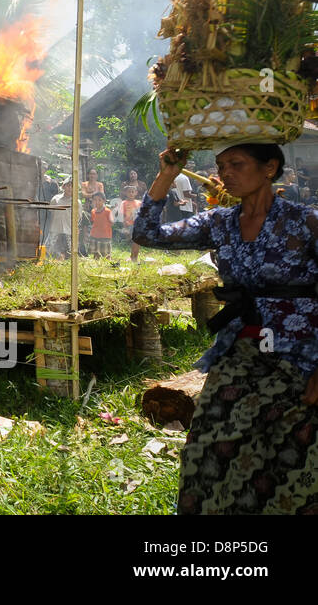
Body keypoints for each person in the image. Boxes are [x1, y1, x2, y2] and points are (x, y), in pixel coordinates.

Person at [133, 142, 318, 514]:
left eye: (236, 163)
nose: (225, 173)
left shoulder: (304, 221)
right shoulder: (218, 223)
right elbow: (146, 234)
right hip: (239, 350)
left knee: (294, 456)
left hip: (298, 354)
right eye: (221, 166)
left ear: (270, 168)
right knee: (206, 448)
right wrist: (166, 175)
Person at [46, 179, 75, 257]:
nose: (70, 188)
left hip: (69, 230)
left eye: (72, 186)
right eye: (68, 185)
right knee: (48, 250)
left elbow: (78, 217)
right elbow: (50, 213)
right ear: (63, 187)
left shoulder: (76, 202)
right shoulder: (56, 199)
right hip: (55, 228)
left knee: (71, 252)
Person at [114, 185, 142, 260]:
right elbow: (121, 215)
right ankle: (133, 256)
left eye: (133, 192)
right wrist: (124, 226)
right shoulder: (123, 203)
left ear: (136, 193)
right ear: (126, 193)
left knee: (136, 242)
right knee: (133, 241)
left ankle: (134, 256)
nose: (131, 193)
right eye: (129, 192)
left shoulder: (139, 202)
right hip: (129, 225)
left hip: (137, 225)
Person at [88, 191, 112, 257]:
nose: (97, 202)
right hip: (94, 235)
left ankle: (108, 265)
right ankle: (96, 265)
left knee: (106, 254)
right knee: (95, 254)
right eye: (95, 200)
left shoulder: (107, 211)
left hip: (105, 235)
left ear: (104, 201)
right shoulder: (93, 211)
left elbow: (111, 222)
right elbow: (93, 222)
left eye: (99, 200)